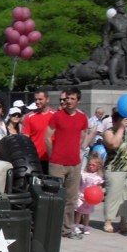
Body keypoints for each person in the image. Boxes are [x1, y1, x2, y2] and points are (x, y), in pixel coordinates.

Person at [45, 87, 89, 239]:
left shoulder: (82, 118)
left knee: (71, 199)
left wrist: (75, 151)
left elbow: (82, 137)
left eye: (72, 99)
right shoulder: (57, 116)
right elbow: (47, 137)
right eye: (67, 98)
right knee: (54, 197)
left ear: (78, 101)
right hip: (57, 163)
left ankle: (67, 229)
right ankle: (52, 229)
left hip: (74, 163)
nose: (68, 101)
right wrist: (52, 155)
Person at [101, 109, 127, 234]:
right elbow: (113, 144)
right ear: (115, 121)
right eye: (122, 121)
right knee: (113, 195)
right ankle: (108, 221)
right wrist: (121, 128)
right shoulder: (109, 132)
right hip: (115, 168)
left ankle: (124, 222)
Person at [24, 89, 56, 174]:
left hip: (52, 159)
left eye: (40, 99)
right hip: (35, 159)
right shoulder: (29, 117)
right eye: (36, 99)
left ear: (47, 99)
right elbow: (26, 139)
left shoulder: (55, 115)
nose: (37, 102)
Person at [74, 152, 104, 235]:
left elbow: (99, 188)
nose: (91, 166)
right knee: (79, 212)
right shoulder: (84, 174)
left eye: (93, 165)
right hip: (82, 196)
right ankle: (76, 226)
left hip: (90, 198)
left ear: (98, 166)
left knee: (87, 213)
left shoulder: (98, 177)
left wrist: (99, 196)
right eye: (89, 164)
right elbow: (79, 183)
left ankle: (86, 226)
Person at [103, 0, 127, 85]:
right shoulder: (111, 20)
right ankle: (116, 76)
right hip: (117, 42)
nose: (122, 8)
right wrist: (105, 44)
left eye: (123, 6)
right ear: (117, 8)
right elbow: (105, 33)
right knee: (119, 55)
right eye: (120, 6)